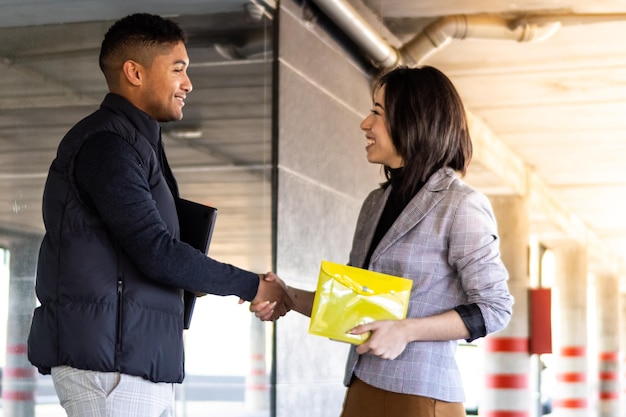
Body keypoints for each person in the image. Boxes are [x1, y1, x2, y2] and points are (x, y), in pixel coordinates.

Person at [27, 13, 291, 417]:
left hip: (132, 358)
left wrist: (194, 276)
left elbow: (143, 258)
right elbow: (156, 251)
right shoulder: (107, 145)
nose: (188, 83)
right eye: (178, 69)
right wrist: (253, 285)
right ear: (134, 72)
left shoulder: (135, 142)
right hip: (112, 365)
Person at [253, 65, 514, 417]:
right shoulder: (376, 203)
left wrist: (406, 331)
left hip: (421, 396)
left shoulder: (460, 204)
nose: (365, 124)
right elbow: (352, 306)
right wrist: (287, 295)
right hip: (363, 387)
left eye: (377, 112)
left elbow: (495, 308)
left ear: (413, 120)